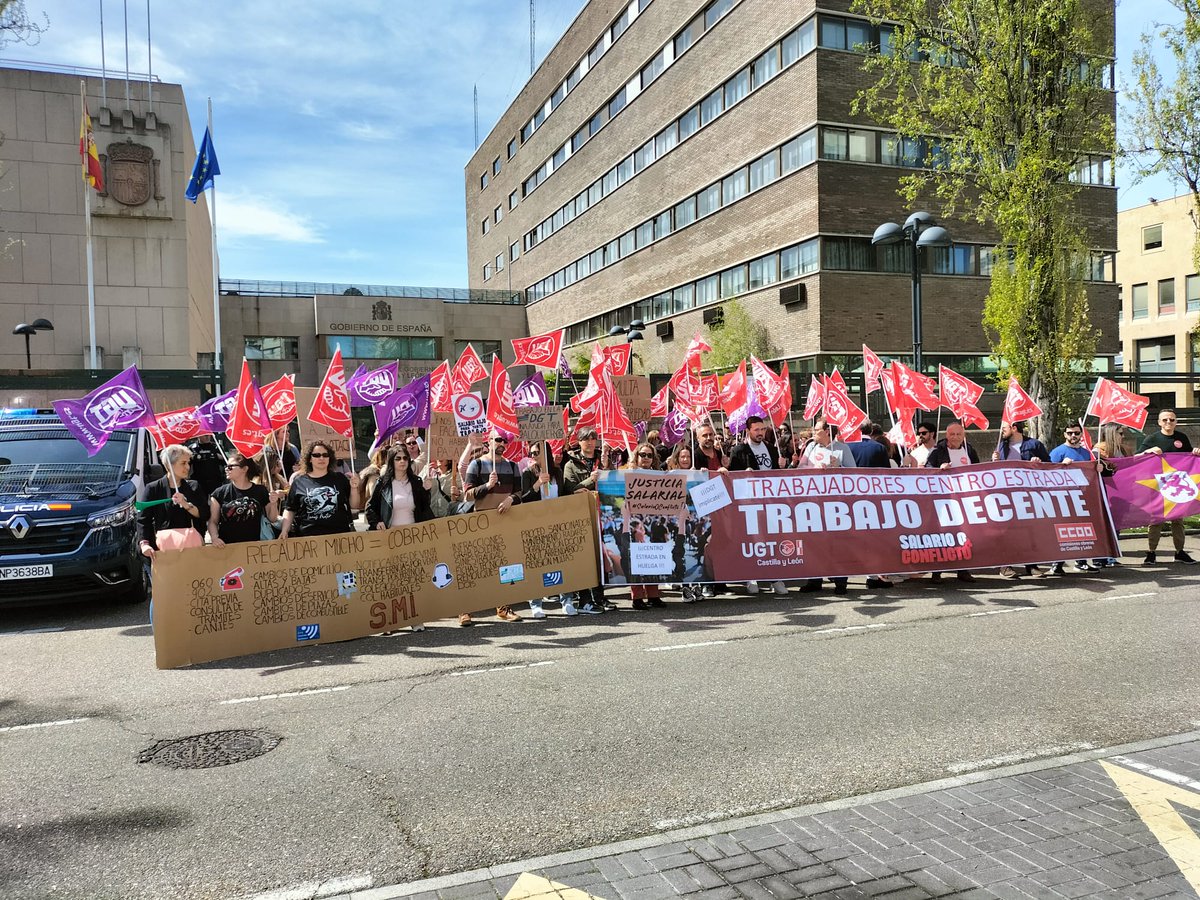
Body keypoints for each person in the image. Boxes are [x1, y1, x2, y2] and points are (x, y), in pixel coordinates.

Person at [461, 431, 526, 624]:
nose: (502, 444)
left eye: (504, 441)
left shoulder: (512, 466)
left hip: (505, 522)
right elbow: (468, 494)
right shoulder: (477, 464)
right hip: (481, 523)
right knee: (475, 566)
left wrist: (510, 499)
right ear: (488, 442)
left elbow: (520, 492)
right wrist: (488, 486)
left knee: (505, 564)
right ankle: (465, 609)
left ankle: (504, 607)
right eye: (498, 440)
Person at [138, 444, 209, 622]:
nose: (188, 467)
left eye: (188, 463)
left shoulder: (193, 486)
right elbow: (143, 520)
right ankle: (163, 640)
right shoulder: (153, 488)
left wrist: (187, 505)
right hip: (159, 552)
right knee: (162, 596)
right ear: (169, 465)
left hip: (189, 550)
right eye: (183, 463)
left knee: (191, 592)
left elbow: (205, 514)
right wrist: (144, 544)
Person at [729, 416, 787, 597]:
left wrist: (785, 466)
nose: (760, 433)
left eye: (762, 429)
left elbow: (778, 477)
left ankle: (774, 577)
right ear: (748, 431)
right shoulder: (739, 450)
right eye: (756, 430)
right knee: (751, 541)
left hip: (770, 503)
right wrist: (741, 474)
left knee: (771, 541)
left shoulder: (772, 448)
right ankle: (751, 577)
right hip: (748, 504)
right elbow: (731, 476)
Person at [799, 418, 854, 595]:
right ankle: (815, 579)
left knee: (837, 543)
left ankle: (840, 581)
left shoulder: (842, 449)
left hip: (835, 504)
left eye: (817, 430)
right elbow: (800, 469)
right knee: (814, 542)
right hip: (814, 502)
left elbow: (854, 472)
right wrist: (813, 468)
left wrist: (839, 467)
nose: (813, 433)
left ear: (828, 431)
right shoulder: (811, 448)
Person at [1138, 408, 1199, 564]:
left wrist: (1195, 452)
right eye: (1165, 419)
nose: (1168, 422)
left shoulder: (1181, 438)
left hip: (1177, 486)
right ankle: (1151, 552)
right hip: (1158, 486)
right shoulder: (1152, 439)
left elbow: (1189, 458)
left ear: (1176, 422)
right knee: (1156, 520)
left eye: (1171, 419)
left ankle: (1179, 552)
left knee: (1178, 520)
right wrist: (1150, 451)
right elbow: (1136, 458)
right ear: (1159, 422)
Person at [517, 443, 568, 619]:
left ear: (545, 453)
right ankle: (536, 604)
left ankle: (566, 600)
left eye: (537, 453)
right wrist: (538, 484)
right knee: (537, 564)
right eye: (531, 453)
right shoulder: (528, 474)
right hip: (535, 524)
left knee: (560, 561)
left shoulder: (558, 472)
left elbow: (565, 493)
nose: (533, 456)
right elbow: (524, 498)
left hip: (556, 523)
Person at [562, 428, 609, 615]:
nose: (590, 443)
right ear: (579, 442)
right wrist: (591, 479)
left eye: (593, 439)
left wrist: (606, 469)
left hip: (602, 515)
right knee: (584, 560)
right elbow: (571, 489)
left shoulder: (603, 459)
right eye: (586, 439)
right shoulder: (571, 464)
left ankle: (599, 598)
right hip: (581, 517)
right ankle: (585, 600)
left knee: (600, 559)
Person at [279, 440, 361, 538]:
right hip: (308, 538)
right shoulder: (299, 482)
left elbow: (354, 505)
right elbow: (290, 509)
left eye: (325, 455)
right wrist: (284, 530)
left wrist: (354, 488)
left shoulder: (340, 478)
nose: (321, 458)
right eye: (316, 455)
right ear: (309, 458)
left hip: (339, 536)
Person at [208, 453, 283, 546]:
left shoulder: (260, 490)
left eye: (231, 466)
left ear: (244, 469)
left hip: (254, 547)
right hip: (227, 547)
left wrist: (273, 503)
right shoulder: (219, 493)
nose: (226, 469)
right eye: (226, 466)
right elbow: (213, 521)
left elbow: (272, 518)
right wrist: (215, 538)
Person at [366, 445, 433, 530]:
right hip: (390, 535)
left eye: (405, 458)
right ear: (391, 461)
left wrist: (426, 490)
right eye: (398, 458)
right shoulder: (383, 483)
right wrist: (376, 522)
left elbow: (424, 507)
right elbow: (370, 507)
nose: (402, 461)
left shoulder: (416, 482)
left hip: (414, 535)